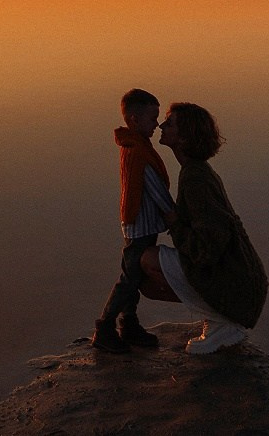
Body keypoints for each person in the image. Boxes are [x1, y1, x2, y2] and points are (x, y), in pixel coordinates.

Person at [139, 102, 268, 355]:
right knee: (145, 281)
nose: (162, 126)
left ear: (185, 135)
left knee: (147, 261)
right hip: (243, 285)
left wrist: (173, 221)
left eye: (170, 123)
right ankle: (218, 316)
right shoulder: (195, 171)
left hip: (240, 289)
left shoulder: (195, 178)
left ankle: (224, 320)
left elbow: (207, 248)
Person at [91, 88, 176, 354]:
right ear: (135, 120)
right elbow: (156, 192)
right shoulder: (138, 152)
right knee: (129, 278)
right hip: (140, 226)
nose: (158, 124)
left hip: (139, 223)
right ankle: (104, 328)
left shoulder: (135, 146)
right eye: (153, 118)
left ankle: (128, 323)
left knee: (134, 275)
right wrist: (176, 218)